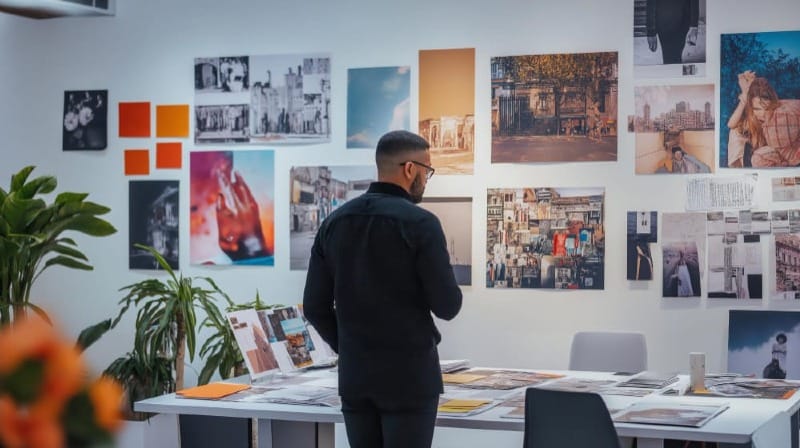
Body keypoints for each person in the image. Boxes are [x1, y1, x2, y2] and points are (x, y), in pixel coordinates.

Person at [303, 130, 463, 448]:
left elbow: (314, 306)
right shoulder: (421, 224)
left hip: (356, 378)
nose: (427, 178)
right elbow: (448, 305)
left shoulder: (334, 223)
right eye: (427, 170)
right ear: (409, 169)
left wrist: (348, 346)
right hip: (410, 377)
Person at [727, 71, 800, 167]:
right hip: (769, 155)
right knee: (735, 131)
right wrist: (745, 95)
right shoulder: (753, 118)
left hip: (790, 153)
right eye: (757, 109)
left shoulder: (781, 113)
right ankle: (736, 171)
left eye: (767, 108)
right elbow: (731, 125)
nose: (763, 113)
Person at [645, 0, 699, 65]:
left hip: (680, 19)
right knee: (672, 58)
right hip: (666, 20)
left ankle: (675, 71)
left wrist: (694, 25)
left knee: (672, 58)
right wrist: (651, 30)